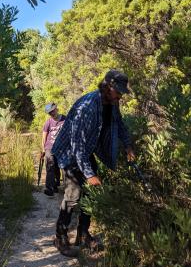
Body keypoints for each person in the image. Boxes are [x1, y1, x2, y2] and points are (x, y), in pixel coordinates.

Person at [52, 69, 135, 257]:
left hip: (85, 150)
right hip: (70, 152)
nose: (121, 96)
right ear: (108, 87)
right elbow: (77, 146)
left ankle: (82, 234)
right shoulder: (88, 107)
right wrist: (90, 175)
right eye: (118, 91)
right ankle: (60, 236)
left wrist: (128, 145)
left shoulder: (112, 103)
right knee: (73, 195)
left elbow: (119, 123)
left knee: (91, 193)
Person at [42, 103, 66, 196]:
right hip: (50, 147)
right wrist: (43, 149)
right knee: (50, 166)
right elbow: (44, 136)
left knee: (63, 167)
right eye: (49, 112)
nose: (52, 113)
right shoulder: (48, 122)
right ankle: (50, 188)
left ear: (57, 109)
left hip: (62, 148)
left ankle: (66, 187)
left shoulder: (65, 119)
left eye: (53, 111)